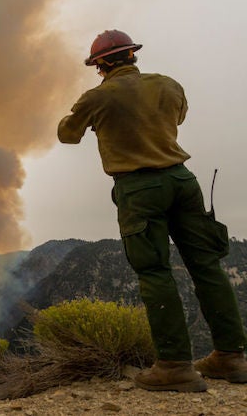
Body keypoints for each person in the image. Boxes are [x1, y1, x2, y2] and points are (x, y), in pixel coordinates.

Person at [57, 30, 247, 392]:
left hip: (139, 189)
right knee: (207, 266)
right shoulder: (168, 84)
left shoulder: (98, 97)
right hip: (182, 179)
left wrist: (101, 119)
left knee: (155, 273)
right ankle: (232, 357)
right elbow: (180, 117)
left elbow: (67, 134)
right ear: (132, 56)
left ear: (100, 65)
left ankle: (174, 365)